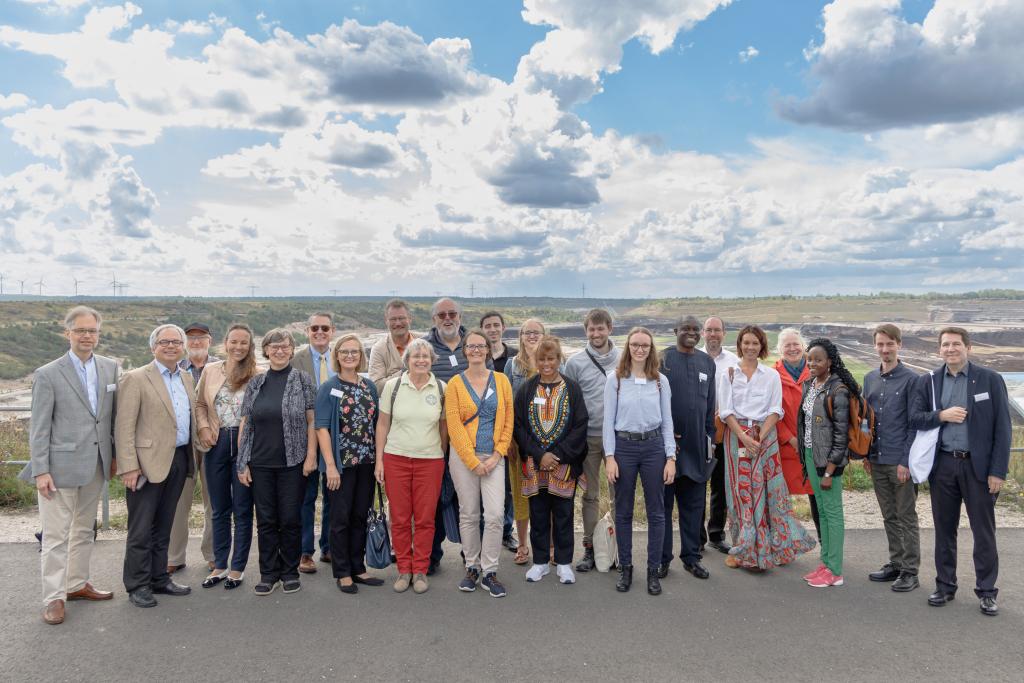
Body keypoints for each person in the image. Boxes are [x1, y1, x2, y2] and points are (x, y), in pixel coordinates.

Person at [20, 306, 117, 624]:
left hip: (96, 464)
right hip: (58, 469)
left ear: (98, 334)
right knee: (56, 536)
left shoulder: (109, 368)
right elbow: (39, 428)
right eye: (81, 331)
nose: (87, 336)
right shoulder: (48, 373)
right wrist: (41, 470)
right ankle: (53, 597)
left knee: (83, 531)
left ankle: (75, 585)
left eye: (92, 331)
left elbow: (109, 417)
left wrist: (114, 456)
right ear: (68, 333)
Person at [911, 327, 1011, 617]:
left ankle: (987, 592)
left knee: (984, 532)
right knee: (944, 530)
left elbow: (1003, 431)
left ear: (968, 347)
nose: (950, 349)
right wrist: (941, 416)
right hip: (943, 465)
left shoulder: (990, 380)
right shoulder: (929, 381)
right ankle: (945, 586)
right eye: (945, 345)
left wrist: (997, 472)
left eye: (956, 344)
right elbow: (915, 418)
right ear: (939, 350)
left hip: (978, 469)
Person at [718, 325, 815, 572]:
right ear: (739, 345)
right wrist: (744, 436)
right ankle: (744, 547)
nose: (750, 347)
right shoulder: (728, 373)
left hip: (766, 436)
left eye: (755, 343)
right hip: (736, 437)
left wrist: (759, 437)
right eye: (746, 343)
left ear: (762, 346)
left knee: (768, 490)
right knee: (742, 494)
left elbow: (776, 410)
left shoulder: (770, 375)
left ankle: (773, 545)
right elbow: (726, 410)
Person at [116, 324, 198, 608]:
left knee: (164, 525)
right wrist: (128, 466)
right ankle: (137, 585)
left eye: (177, 342)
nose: (171, 346)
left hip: (178, 459)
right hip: (145, 464)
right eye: (165, 342)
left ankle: (159, 578)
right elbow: (124, 426)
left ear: (183, 347)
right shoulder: (136, 378)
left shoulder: (186, 377)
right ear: (154, 347)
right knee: (141, 529)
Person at [237, 328, 317, 596]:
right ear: (266, 350)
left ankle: (290, 571)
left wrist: (311, 456)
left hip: (292, 462)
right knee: (267, 521)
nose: (280, 350)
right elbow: (246, 424)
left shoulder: (303, 380)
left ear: (292, 350)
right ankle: (268, 573)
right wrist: (242, 462)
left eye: (285, 346)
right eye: (274, 346)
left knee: (291, 519)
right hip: (260, 463)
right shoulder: (256, 383)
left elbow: (311, 421)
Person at [603, 327, 676, 595]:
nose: (640, 349)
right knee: (623, 512)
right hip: (624, 447)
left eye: (645, 345)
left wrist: (671, 457)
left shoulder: (660, 381)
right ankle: (626, 568)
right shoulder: (616, 380)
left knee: (656, 512)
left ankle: (652, 570)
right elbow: (607, 422)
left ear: (651, 348)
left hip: (654, 448)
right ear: (628, 347)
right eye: (635, 344)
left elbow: (668, 421)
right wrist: (610, 457)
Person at [375, 338, 449, 595]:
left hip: (430, 461)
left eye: (425, 356)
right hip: (396, 459)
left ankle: (420, 570)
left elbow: (443, 427)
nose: (420, 360)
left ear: (431, 361)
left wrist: (440, 454)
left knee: (426, 519)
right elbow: (382, 425)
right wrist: (379, 461)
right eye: (415, 356)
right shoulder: (393, 387)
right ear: (406, 360)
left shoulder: (441, 387)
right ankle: (404, 570)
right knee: (400, 518)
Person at [514, 335, 589, 586]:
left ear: (559, 359)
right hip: (535, 466)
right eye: (542, 359)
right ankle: (540, 563)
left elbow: (580, 425)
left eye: (551, 358)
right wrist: (540, 454)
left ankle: (565, 563)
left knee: (564, 514)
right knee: (538, 513)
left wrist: (557, 456)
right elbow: (519, 426)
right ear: (535, 360)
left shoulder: (571, 388)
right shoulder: (526, 389)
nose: (546, 363)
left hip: (564, 466)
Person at [446, 328, 514, 597]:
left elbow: (508, 420)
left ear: (488, 350)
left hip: (494, 456)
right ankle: (472, 567)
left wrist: (498, 454)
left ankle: (490, 570)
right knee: (470, 514)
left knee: (495, 515)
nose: (476, 350)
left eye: (480, 346)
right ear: (465, 351)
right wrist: (473, 461)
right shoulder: (454, 384)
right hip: (464, 459)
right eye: (471, 346)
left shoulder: (501, 381)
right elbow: (454, 425)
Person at [423, 298, 489, 575]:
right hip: (436, 436)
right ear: (434, 318)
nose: (447, 318)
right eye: (442, 315)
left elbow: (490, 385)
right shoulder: (426, 347)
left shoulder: (473, 343)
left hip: (473, 439)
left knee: (475, 501)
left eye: (452, 314)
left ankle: (471, 555)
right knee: (438, 498)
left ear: (460, 316)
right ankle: (433, 554)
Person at [314, 334, 383, 594]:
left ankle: (358, 566)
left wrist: (380, 461)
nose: (350, 356)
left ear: (360, 355)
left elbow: (376, 424)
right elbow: (321, 427)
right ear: (337, 355)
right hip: (340, 464)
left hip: (366, 462)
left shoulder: (369, 387)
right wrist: (330, 465)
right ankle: (342, 571)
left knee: (359, 516)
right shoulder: (328, 387)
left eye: (354, 351)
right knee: (340, 518)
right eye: (345, 352)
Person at [194, 324, 260, 591]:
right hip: (217, 442)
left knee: (243, 510)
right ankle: (220, 564)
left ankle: (237, 568)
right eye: (234, 341)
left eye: (244, 342)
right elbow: (199, 404)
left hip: (246, 444)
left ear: (250, 345)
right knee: (219, 509)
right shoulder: (211, 371)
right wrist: (204, 427)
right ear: (225, 342)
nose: (238, 347)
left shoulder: (258, 374)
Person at [863, 324, 921, 593]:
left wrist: (906, 461)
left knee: (906, 516)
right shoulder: (870, 379)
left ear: (899, 344)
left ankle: (910, 570)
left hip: (900, 461)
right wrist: (865, 453)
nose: (885, 349)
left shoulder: (912, 380)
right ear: (875, 346)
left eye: (890, 344)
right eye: (880, 344)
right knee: (889, 516)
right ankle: (896, 563)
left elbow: (915, 425)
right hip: (876, 458)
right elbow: (866, 420)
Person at [797, 338, 859, 588]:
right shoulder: (811, 385)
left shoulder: (839, 390)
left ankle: (835, 571)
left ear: (830, 362)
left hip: (828, 463)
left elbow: (841, 435)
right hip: (812, 456)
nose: (812, 363)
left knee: (832, 514)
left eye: (818, 359)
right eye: (809, 359)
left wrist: (830, 470)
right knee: (822, 512)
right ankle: (825, 563)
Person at [658, 315, 716, 581]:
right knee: (663, 506)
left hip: (696, 450)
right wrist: (664, 437)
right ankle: (662, 560)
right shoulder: (662, 360)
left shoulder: (707, 362)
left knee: (693, 508)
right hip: (666, 450)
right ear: (675, 331)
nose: (691, 333)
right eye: (685, 329)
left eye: (695, 330)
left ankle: (692, 558)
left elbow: (709, 407)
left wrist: (709, 441)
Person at [563, 308, 621, 572]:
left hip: (619, 440)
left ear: (610, 328)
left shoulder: (624, 357)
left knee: (619, 495)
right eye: (591, 329)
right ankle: (589, 547)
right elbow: (570, 402)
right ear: (586, 330)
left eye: (601, 328)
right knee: (590, 495)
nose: (596, 333)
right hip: (588, 439)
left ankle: (620, 550)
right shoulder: (575, 363)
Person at [168, 321, 216, 574]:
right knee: (178, 501)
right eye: (191, 338)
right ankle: (174, 556)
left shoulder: (222, 367)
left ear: (210, 341)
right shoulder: (174, 368)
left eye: (201, 337)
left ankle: (213, 554)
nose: (196, 342)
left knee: (215, 501)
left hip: (214, 442)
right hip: (183, 443)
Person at [291, 312, 336, 573]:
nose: (320, 332)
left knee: (333, 494)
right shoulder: (297, 360)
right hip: (306, 435)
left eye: (325, 328)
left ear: (332, 331)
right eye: (315, 328)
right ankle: (305, 551)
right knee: (306, 497)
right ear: (307, 331)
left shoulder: (340, 357)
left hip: (334, 435)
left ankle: (329, 546)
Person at [502, 318, 548, 565]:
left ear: (544, 335)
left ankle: (549, 545)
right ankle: (522, 545)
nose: (531, 336)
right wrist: (508, 438)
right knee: (521, 496)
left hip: (547, 443)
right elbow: (506, 405)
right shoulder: (512, 365)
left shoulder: (550, 363)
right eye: (527, 332)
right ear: (520, 336)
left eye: (536, 332)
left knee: (547, 493)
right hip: (519, 442)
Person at [479, 310, 520, 554]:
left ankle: (506, 531)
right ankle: (485, 531)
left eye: (496, 325)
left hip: (508, 429)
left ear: (503, 328)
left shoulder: (514, 357)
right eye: (487, 326)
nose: (492, 329)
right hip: (483, 432)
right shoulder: (476, 355)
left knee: (509, 486)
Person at [773, 327, 819, 538]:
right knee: (781, 500)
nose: (792, 349)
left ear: (804, 347)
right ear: (780, 349)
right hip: (785, 447)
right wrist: (790, 439)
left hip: (814, 446)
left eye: (796, 344)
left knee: (818, 498)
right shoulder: (772, 376)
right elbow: (771, 412)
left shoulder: (818, 372)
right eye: (787, 345)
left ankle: (825, 544)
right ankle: (784, 543)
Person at [698, 316, 736, 554]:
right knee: (697, 485)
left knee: (720, 486)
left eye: (717, 330)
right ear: (703, 333)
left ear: (724, 333)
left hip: (724, 429)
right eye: (709, 330)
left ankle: (715, 533)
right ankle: (697, 537)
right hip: (698, 431)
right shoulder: (694, 357)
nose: (713, 334)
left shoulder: (734, 361)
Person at [369, 299, 418, 394]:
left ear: (410, 319)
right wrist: (406, 371)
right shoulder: (379, 349)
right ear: (386, 321)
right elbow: (376, 387)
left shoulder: (425, 342)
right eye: (393, 319)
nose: (398, 323)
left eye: (402, 318)